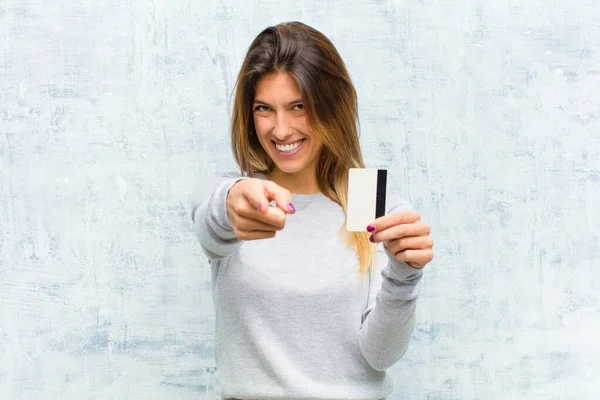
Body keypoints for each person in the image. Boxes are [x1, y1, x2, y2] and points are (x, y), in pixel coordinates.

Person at [189, 21, 434, 400]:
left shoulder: (369, 200)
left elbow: (380, 356)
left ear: (331, 106)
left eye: (299, 106)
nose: (282, 129)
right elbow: (214, 221)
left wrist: (405, 276)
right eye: (264, 109)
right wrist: (233, 202)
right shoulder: (236, 195)